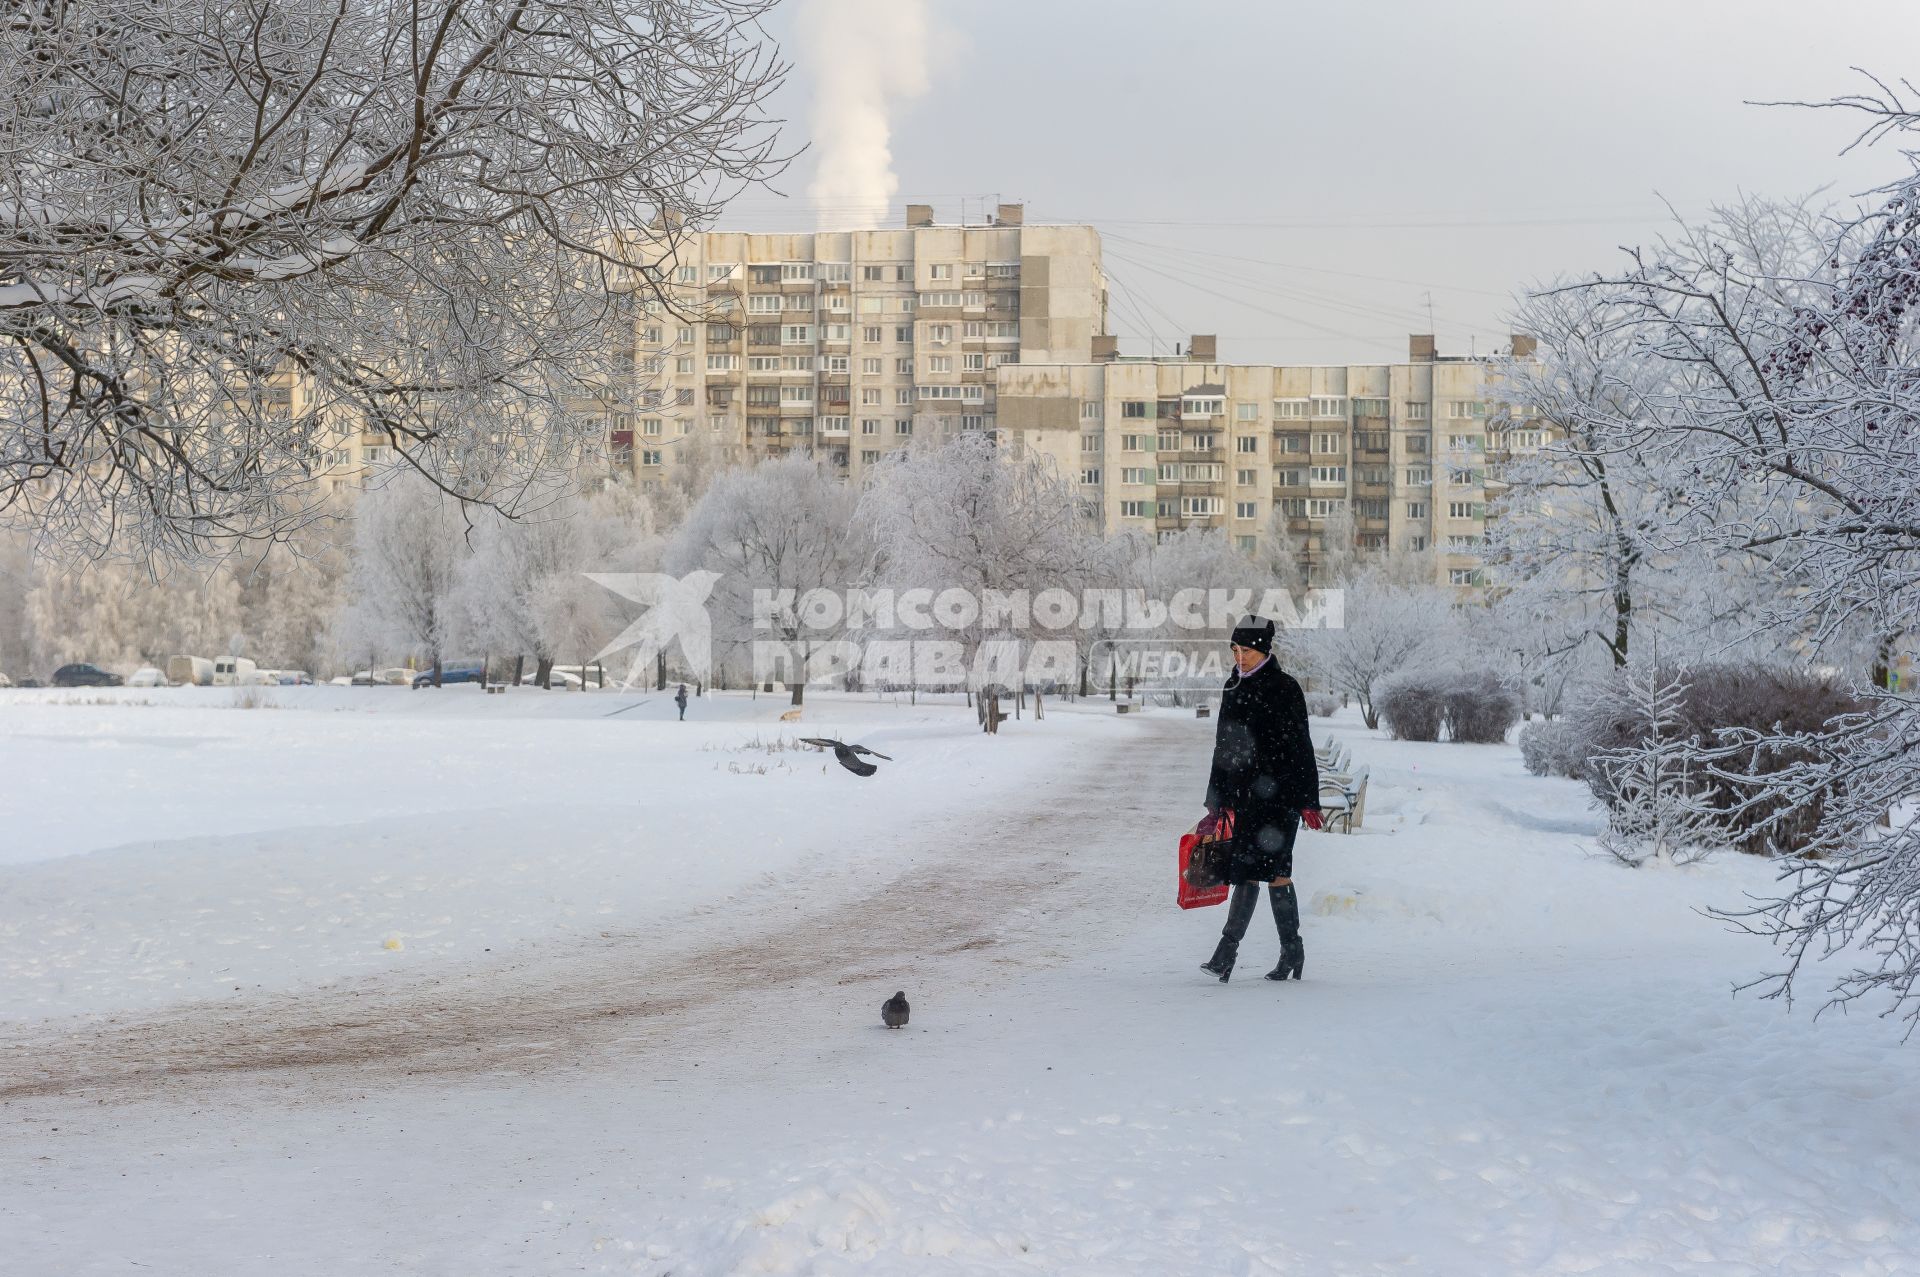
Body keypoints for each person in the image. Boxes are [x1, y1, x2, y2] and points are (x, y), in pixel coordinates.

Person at [1199, 616, 1324, 983]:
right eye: (1235, 649)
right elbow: (1223, 746)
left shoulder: (1286, 689)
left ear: (1264, 650)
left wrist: (1307, 800)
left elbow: (1301, 746)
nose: (1239, 656)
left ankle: (1278, 951)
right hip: (1243, 798)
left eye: (1246, 650)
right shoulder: (1233, 686)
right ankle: (1240, 953)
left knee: (1276, 873)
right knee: (1247, 871)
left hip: (1280, 798)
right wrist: (1216, 799)